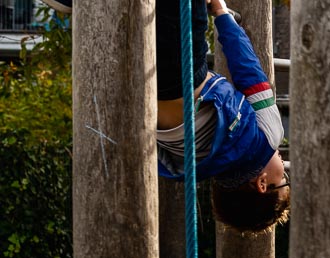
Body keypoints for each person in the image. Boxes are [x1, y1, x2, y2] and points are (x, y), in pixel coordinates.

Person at [47, 0, 291, 233]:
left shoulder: (269, 137)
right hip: (140, 86)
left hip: (184, 73)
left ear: (262, 184)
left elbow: (248, 69)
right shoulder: (192, 168)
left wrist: (222, 14)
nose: (283, 165)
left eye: (284, 179)